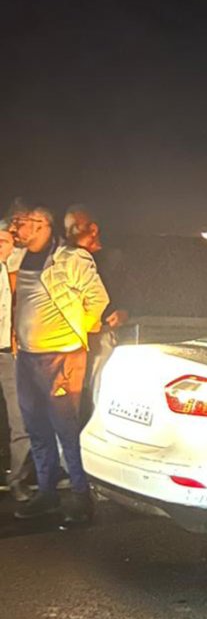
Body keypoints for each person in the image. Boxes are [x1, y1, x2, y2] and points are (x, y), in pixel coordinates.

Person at [8, 202, 109, 523]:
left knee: (66, 429)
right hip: (27, 357)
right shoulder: (17, 257)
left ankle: (81, 495)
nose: (16, 227)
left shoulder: (70, 258)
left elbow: (98, 300)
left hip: (62, 357)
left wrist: (75, 336)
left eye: (23, 222)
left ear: (42, 225)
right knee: (36, 428)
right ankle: (47, 492)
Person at [64, 205, 127, 416]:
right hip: (70, 338)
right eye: (67, 228)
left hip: (101, 336)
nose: (69, 233)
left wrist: (124, 311)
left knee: (97, 392)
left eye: (74, 227)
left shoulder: (112, 258)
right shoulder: (66, 259)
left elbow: (129, 292)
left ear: (93, 229)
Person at [0, 220, 34, 501]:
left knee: (19, 418)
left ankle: (17, 480)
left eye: (4, 241)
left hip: (8, 353)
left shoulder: (17, 276)